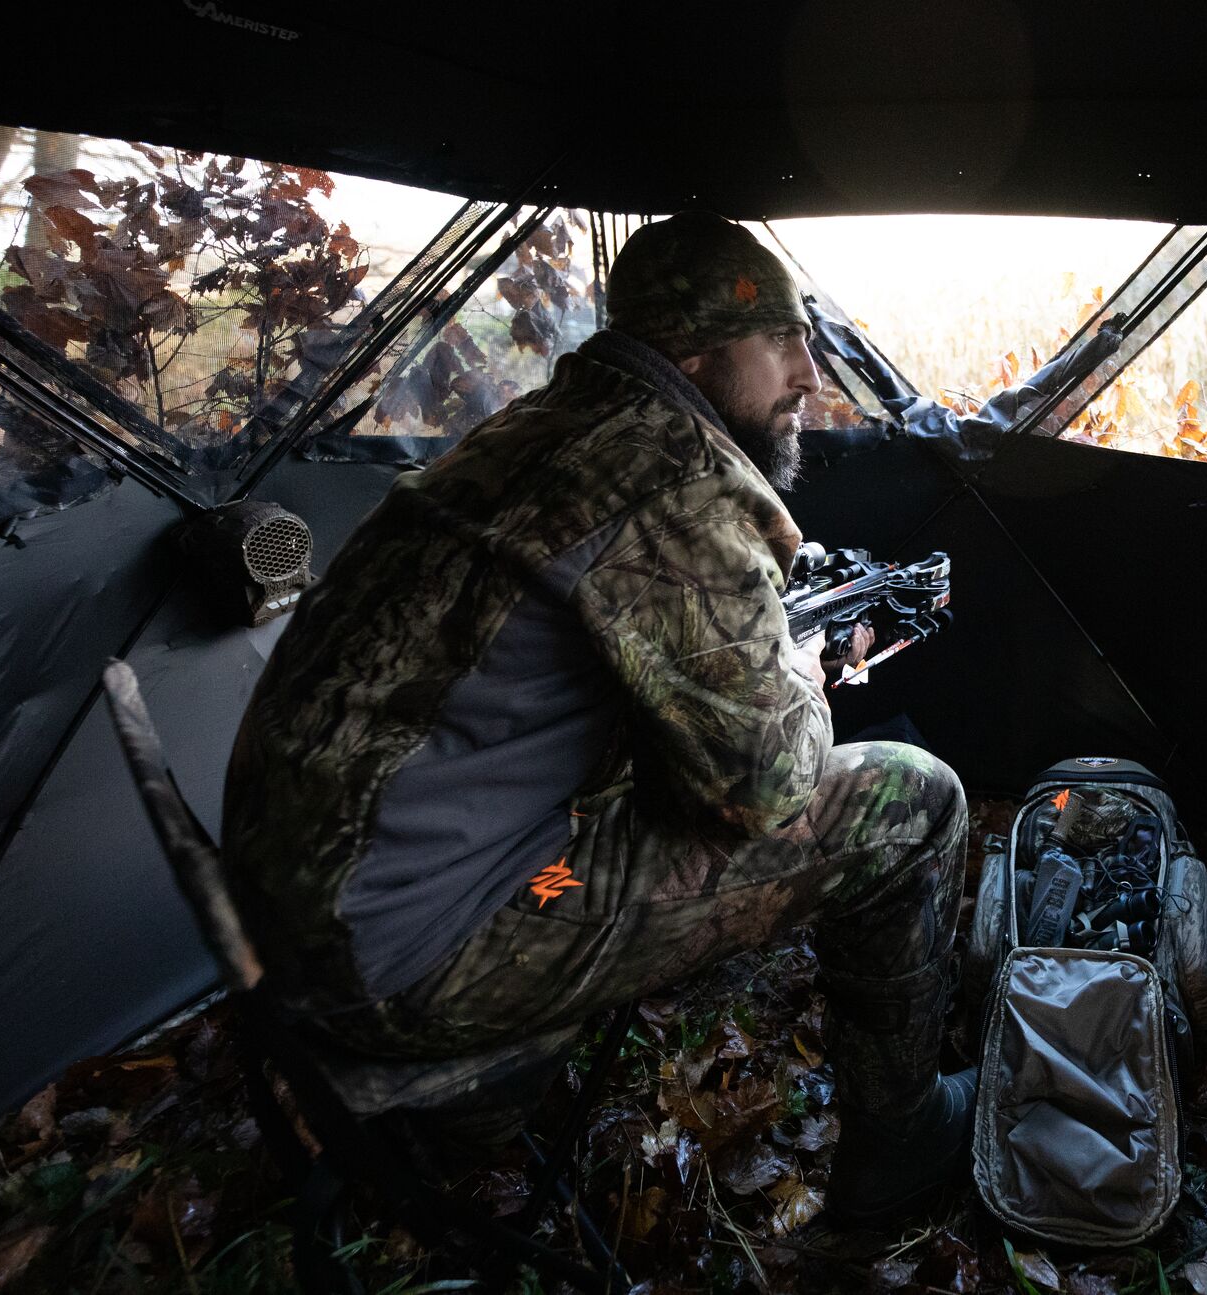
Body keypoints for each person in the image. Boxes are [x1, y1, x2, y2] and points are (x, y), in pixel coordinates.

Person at [220, 212, 973, 1225]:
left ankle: (463, 1118)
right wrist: (798, 676)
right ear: (697, 353)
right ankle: (904, 1141)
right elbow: (769, 788)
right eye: (781, 341)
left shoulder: (539, 427)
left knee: (650, 781)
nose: (808, 375)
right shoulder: (678, 476)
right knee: (913, 800)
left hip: (297, 903)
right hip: (421, 949)